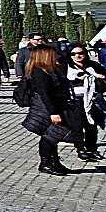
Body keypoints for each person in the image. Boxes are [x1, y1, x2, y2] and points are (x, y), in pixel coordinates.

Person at [22, 45, 74, 176]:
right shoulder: (39, 72)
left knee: (52, 135)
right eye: (53, 54)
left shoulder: (48, 70)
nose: (56, 56)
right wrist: (53, 112)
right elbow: (45, 94)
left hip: (50, 106)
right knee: (50, 135)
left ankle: (54, 161)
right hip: (44, 108)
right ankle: (46, 163)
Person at [66, 45, 106, 163]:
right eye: (73, 54)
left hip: (91, 100)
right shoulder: (66, 67)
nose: (77, 56)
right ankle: (80, 149)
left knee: (91, 126)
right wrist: (77, 77)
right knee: (77, 126)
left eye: (80, 53)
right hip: (74, 100)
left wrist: (99, 77)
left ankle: (91, 149)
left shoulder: (92, 65)